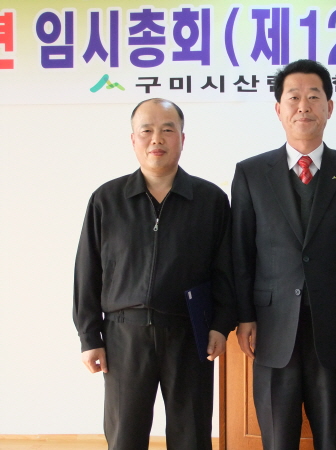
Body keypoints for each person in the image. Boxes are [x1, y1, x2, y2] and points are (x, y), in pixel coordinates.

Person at [231, 59, 336, 450]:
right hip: (271, 327)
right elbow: (241, 252)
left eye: (314, 97)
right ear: (278, 109)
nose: (304, 106)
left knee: (334, 437)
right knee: (277, 438)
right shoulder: (251, 173)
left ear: (329, 107)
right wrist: (245, 316)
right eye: (294, 97)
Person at [73, 98, 236, 450]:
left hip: (190, 334)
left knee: (192, 436)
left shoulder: (210, 200)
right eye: (146, 130)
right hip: (123, 336)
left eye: (167, 130)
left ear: (182, 138)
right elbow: (87, 272)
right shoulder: (107, 199)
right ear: (133, 139)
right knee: (125, 437)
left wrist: (221, 325)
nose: (156, 139)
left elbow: (226, 270)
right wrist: (89, 336)